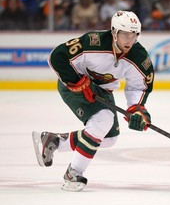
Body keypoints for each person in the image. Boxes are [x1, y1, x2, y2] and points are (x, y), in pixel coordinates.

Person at [32, 10, 154, 192]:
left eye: (134, 35)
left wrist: (137, 110)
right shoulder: (92, 42)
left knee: (109, 138)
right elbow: (57, 56)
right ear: (114, 32)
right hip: (74, 84)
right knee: (103, 120)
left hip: (102, 91)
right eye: (125, 34)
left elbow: (139, 86)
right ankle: (73, 174)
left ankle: (55, 141)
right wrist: (77, 82)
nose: (130, 40)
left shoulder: (139, 57)